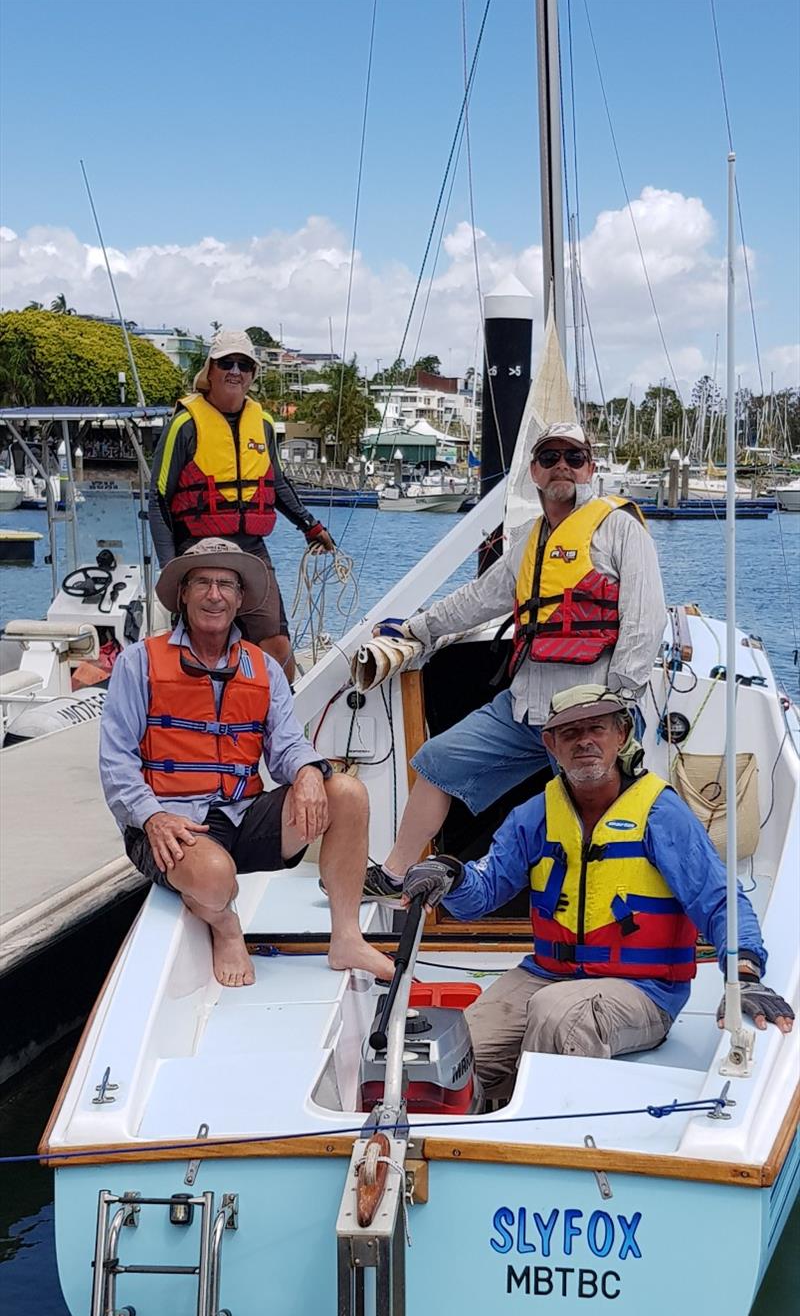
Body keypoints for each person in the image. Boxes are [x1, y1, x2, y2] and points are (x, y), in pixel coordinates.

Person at [402, 686, 794, 1100]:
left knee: (558, 1016)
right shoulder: (533, 816)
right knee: (453, 1054)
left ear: (621, 735)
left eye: (596, 728)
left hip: (644, 990)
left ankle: (548, 1137)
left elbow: (719, 900)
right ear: (551, 745)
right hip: (545, 975)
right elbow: (481, 895)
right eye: (569, 733)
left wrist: (745, 974)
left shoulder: (661, 813)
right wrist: (450, 875)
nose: (584, 740)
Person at [362, 422, 667, 898]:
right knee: (437, 760)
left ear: (590, 467)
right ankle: (396, 872)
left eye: (573, 456)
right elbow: (480, 599)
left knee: (600, 813)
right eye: (549, 458)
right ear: (534, 473)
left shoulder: (621, 530)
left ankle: (613, 903)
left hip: (592, 710)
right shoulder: (527, 541)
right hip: (525, 706)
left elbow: (645, 620)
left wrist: (618, 703)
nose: (561, 465)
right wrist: (417, 629)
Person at [99, 540, 393, 989]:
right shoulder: (139, 663)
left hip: (241, 815)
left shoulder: (264, 668)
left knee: (347, 794)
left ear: (239, 598)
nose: (213, 594)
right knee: (217, 878)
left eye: (225, 584)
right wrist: (152, 817)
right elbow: (116, 760)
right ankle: (225, 925)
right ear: (183, 594)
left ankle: (346, 937)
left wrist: (309, 772)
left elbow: (287, 744)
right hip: (169, 825)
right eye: (202, 582)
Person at [149, 329, 336, 683]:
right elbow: (158, 498)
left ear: (252, 374)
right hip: (198, 547)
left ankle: (278, 726)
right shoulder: (185, 424)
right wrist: (169, 567)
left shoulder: (262, 423)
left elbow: (275, 482)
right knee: (205, 646)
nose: (235, 371)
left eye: (244, 365)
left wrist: (310, 526)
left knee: (277, 647)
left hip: (250, 548)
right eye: (226, 363)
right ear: (211, 370)